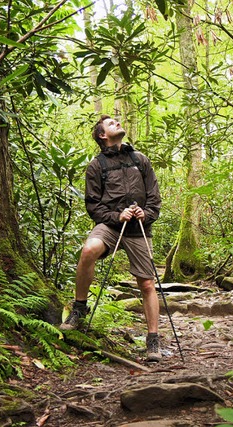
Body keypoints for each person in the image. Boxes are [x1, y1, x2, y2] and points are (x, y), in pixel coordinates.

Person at [60, 114, 163, 362]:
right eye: (111, 123)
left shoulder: (141, 161)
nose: (117, 123)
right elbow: (93, 206)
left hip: (138, 227)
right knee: (88, 250)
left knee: (147, 284)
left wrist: (143, 213)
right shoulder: (96, 166)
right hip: (111, 225)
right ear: (102, 135)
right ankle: (79, 308)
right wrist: (118, 216)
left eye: (117, 121)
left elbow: (155, 200)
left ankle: (153, 341)